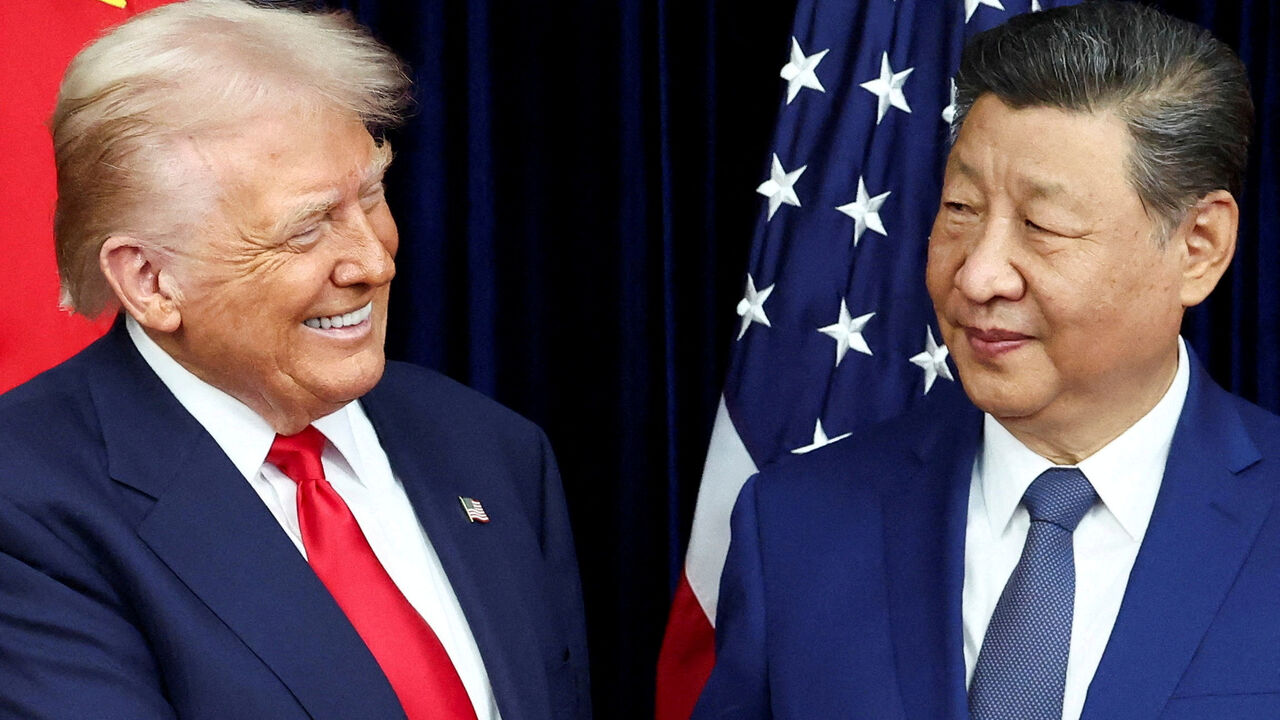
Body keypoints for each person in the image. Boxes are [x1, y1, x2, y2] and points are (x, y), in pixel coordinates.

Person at [0, 2, 589, 718]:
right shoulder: (26, 507)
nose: (374, 261)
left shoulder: (490, 449)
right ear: (151, 280)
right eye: (307, 229)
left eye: (371, 196)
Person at [694, 3, 1272, 719]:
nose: (977, 276)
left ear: (1199, 246)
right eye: (961, 208)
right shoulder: (796, 527)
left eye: (1042, 225)